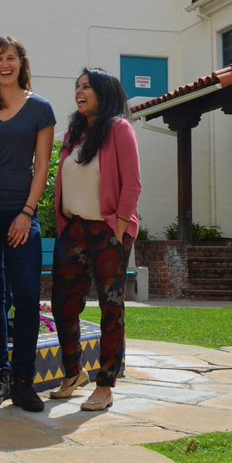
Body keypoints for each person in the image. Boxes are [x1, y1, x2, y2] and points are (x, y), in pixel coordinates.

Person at [0, 37, 56, 412]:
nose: (4, 65)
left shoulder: (40, 108)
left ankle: (23, 379)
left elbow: (41, 166)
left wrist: (27, 212)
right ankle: (0, 376)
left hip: (22, 215)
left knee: (25, 296)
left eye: (11, 58)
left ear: (22, 63)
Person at [50, 68, 141, 411]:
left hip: (108, 230)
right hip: (73, 228)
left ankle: (105, 384)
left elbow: (132, 182)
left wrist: (119, 226)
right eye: (77, 86)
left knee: (110, 306)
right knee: (63, 303)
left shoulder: (119, 129)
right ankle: (72, 374)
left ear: (104, 92)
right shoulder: (74, 133)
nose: (79, 91)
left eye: (87, 86)